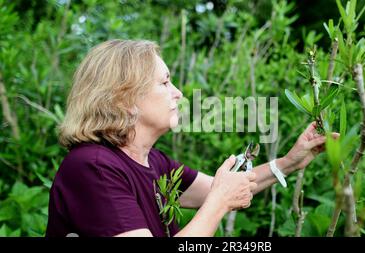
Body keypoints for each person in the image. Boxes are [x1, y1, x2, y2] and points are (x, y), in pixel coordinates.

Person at [45, 39, 337, 237]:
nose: (178, 93)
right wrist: (221, 202)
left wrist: (288, 162)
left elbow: (223, 188)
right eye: (164, 82)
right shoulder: (93, 167)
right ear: (125, 99)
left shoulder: (152, 161)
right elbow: (219, 195)